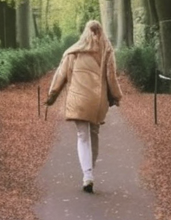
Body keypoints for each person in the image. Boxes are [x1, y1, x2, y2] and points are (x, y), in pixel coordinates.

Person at [45, 20, 122, 193]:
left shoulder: (73, 51)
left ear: (85, 32)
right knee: (94, 134)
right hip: (97, 101)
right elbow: (111, 78)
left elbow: (60, 76)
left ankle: (87, 175)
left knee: (82, 136)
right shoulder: (106, 51)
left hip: (77, 101)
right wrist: (116, 96)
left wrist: (52, 96)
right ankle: (89, 172)